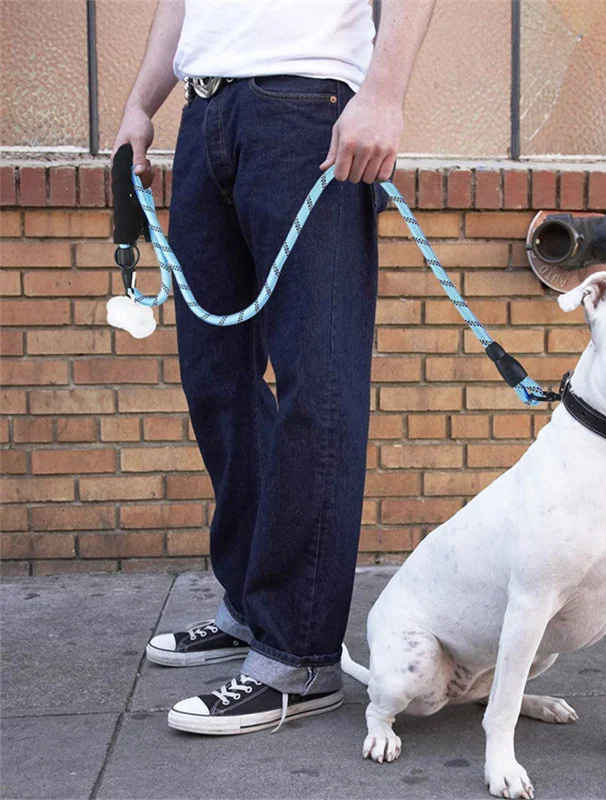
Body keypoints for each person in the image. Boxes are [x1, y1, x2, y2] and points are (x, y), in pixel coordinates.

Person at [112, 0, 434, 735]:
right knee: (215, 381)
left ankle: (299, 655)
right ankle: (253, 609)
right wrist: (139, 104)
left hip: (308, 111)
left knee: (316, 387)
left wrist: (382, 93)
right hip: (206, 113)